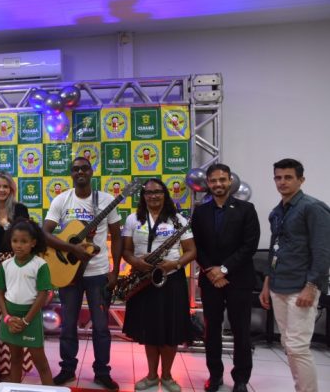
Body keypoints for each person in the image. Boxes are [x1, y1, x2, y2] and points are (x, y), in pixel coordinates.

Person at [43, 157, 121, 390]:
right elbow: (45, 233)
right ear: (71, 173)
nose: (80, 172)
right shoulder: (62, 199)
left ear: (91, 171)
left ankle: (102, 372)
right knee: (67, 324)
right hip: (69, 273)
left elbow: (116, 237)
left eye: (84, 168)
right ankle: (67, 370)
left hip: (98, 272)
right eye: (76, 169)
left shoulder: (106, 200)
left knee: (100, 326)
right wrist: (72, 248)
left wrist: (115, 270)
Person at [260, 158, 330, 392]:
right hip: (279, 284)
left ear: (301, 179)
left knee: (298, 347)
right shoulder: (277, 211)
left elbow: (322, 251)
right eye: (278, 177)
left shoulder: (313, 208)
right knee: (287, 343)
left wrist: (312, 286)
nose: (282, 182)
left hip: (302, 286)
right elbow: (274, 249)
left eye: (288, 177)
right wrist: (267, 282)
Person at [121, 178, 196, 392]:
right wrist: (136, 262)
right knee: (149, 329)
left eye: (158, 192)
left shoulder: (178, 219)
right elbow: (126, 251)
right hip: (143, 280)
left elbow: (191, 251)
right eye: (148, 193)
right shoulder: (133, 219)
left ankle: (168, 376)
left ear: (165, 194)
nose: (153, 196)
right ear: (143, 197)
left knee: (170, 330)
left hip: (171, 280)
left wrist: (175, 263)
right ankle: (152, 376)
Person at [191, 164, 260, 392]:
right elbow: (196, 246)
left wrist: (225, 269)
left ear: (230, 181)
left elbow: (250, 245)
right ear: (208, 183)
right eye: (213, 180)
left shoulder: (246, 209)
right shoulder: (200, 211)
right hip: (211, 281)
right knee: (212, 331)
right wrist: (212, 270)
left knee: (241, 330)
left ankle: (241, 379)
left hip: (238, 279)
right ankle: (215, 376)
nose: (218, 184)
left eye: (222, 180)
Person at [0, 218, 54, 385]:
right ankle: (14, 388)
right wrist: (7, 318)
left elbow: (43, 294)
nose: (18, 245)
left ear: (33, 243)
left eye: (24, 241)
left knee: (41, 363)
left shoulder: (40, 265)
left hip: (31, 318)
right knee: (15, 360)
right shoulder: (5, 265)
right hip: (10, 318)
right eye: (15, 241)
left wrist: (26, 320)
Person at [0, 172, 32, 377]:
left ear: (11, 189)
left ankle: (15, 366)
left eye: (5, 186)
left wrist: (6, 225)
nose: (1, 190)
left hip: (18, 265)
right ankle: (0, 365)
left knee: (16, 310)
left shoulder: (20, 209)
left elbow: (28, 237)